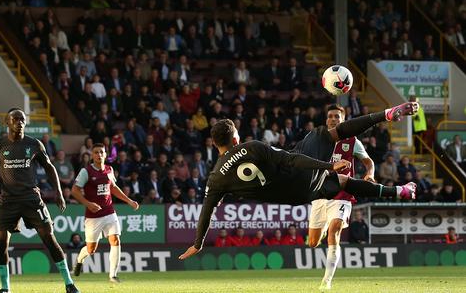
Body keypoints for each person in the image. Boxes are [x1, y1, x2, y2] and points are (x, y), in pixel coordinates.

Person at [179, 102, 419, 262]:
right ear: (235, 138)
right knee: (328, 133)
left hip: (296, 197)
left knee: (343, 182)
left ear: (214, 144)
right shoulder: (251, 147)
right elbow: (291, 159)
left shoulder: (216, 178)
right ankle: (386, 115)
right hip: (302, 175)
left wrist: (198, 243)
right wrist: (327, 165)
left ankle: (399, 191)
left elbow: (206, 212)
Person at [0, 108, 79, 293]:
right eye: (15, 119)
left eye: (23, 120)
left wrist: (58, 191)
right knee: (1, 239)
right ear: (7, 122)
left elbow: (50, 168)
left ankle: (69, 283)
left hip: (31, 199)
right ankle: (5, 288)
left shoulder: (34, 144)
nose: (20, 122)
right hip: (8, 201)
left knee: (49, 238)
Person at [307, 105, 375, 290]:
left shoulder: (352, 141)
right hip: (320, 195)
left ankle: (326, 281)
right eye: (330, 116)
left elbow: (368, 161)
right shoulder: (317, 140)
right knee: (312, 243)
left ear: (343, 120)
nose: (333, 119)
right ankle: (323, 229)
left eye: (337, 116)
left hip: (343, 194)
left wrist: (369, 173)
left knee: (335, 228)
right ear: (326, 120)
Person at [71, 143, 139, 283]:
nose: (99, 155)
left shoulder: (109, 170)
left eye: (101, 152)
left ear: (105, 154)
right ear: (92, 155)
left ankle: (113, 275)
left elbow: (113, 188)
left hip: (109, 212)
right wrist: (88, 204)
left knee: (115, 239)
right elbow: (75, 191)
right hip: (93, 216)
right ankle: (79, 261)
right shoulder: (86, 172)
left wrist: (129, 201)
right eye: (96, 152)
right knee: (91, 249)